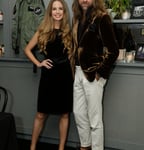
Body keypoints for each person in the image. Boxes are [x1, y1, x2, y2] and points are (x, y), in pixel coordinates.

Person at [70, 0, 119, 150]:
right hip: (77, 73)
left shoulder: (102, 18)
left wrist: (100, 73)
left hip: (93, 75)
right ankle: (85, 146)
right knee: (78, 113)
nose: (84, 0)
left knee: (95, 120)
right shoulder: (77, 18)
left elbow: (113, 50)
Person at [24, 0, 73, 150]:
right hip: (48, 77)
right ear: (50, 12)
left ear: (64, 12)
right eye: (54, 9)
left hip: (65, 77)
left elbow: (73, 56)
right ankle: (32, 147)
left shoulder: (69, 32)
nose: (57, 12)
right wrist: (39, 63)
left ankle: (61, 148)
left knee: (64, 115)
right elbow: (27, 49)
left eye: (60, 9)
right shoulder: (43, 30)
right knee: (40, 114)